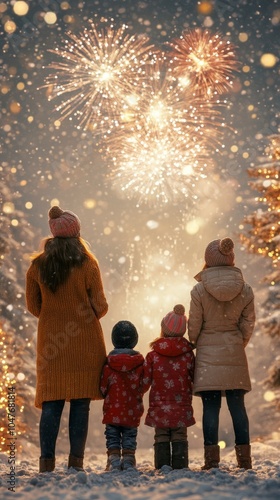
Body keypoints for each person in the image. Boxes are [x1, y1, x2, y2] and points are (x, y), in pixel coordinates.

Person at [25, 206, 108, 473]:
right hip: (85, 343)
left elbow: (33, 306)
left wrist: (53, 314)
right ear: (76, 233)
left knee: (51, 404)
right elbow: (100, 306)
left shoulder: (37, 266)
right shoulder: (87, 262)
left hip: (52, 343)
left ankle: (46, 463)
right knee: (80, 405)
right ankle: (76, 463)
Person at [187, 237, 255, 470]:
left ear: (208, 260)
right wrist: (238, 342)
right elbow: (248, 324)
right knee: (238, 407)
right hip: (234, 349)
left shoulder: (199, 290)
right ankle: (244, 460)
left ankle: (211, 460)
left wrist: (196, 342)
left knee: (210, 407)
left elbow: (194, 325)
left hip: (207, 353)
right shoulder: (245, 289)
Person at [142, 304, 195, 470]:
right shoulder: (188, 355)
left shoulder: (153, 355)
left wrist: (136, 392)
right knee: (180, 434)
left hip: (159, 405)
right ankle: (180, 464)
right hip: (182, 403)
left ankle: (162, 464)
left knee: (161, 435)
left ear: (163, 329)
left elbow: (145, 381)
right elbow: (194, 378)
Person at [100, 320, 144, 471]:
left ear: (114, 340)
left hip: (112, 408)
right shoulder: (139, 364)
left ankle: (113, 459)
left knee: (112, 435)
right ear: (135, 340)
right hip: (132, 409)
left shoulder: (108, 364)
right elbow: (143, 384)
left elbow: (102, 387)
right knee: (129, 435)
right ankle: (129, 459)